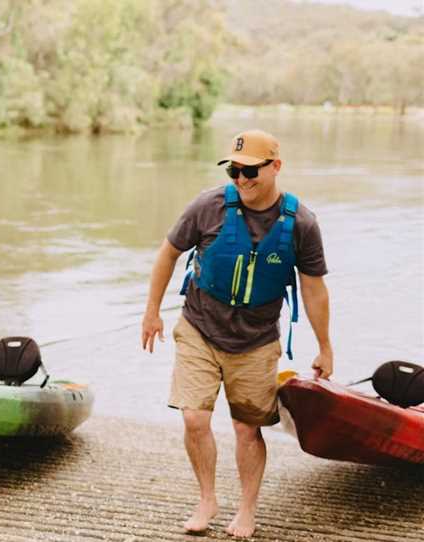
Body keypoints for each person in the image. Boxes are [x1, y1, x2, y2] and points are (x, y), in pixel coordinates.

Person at [140, 130, 333, 538]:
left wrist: (325, 346)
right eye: (234, 170)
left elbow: (314, 288)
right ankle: (207, 498)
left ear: (275, 167)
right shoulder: (208, 207)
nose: (241, 179)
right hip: (199, 327)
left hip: (257, 340)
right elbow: (168, 253)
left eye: (250, 171)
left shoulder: (301, 224)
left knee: (247, 428)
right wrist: (152, 311)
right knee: (194, 417)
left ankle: (246, 510)